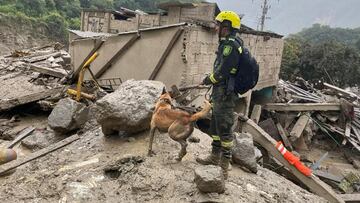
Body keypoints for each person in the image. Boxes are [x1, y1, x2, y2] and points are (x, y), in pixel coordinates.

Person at [196, 11, 243, 179]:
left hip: (225, 93)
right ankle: (214, 157)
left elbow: (223, 71)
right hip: (219, 91)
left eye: (219, 25)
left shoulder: (231, 45)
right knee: (215, 126)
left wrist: (209, 79)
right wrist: (211, 81)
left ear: (227, 26)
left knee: (224, 128)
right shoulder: (225, 44)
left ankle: (224, 165)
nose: (216, 28)